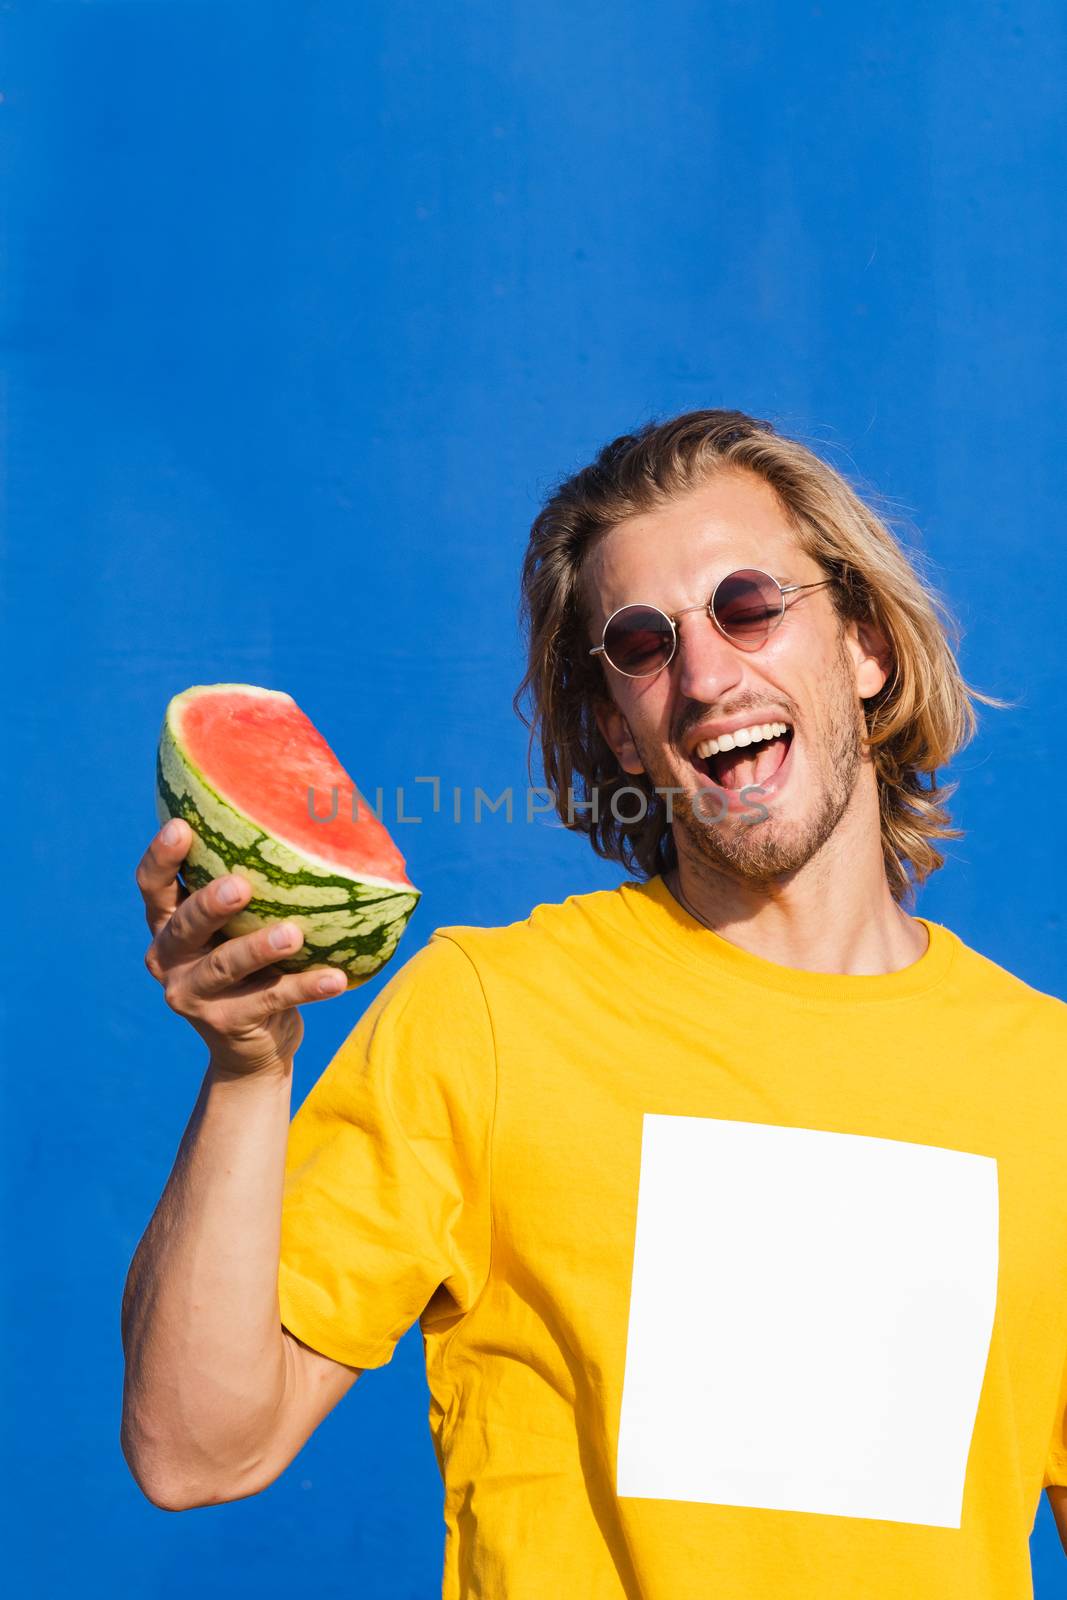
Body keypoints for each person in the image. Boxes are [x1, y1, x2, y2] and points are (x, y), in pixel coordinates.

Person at [121, 409, 1067, 1600]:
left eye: (746, 604)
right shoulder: (490, 1017)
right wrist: (248, 1071)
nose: (706, 673)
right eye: (639, 642)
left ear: (864, 642)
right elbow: (197, 1448)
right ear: (620, 733)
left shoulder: (1047, 1084)